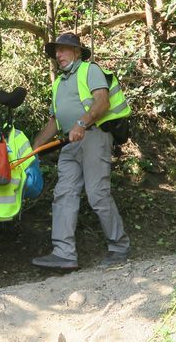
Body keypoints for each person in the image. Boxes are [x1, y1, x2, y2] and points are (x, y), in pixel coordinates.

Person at [31, 32, 130, 269]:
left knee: (97, 193)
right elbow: (55, 122)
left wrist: (81, 123)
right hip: (69, 143)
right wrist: (35, 147)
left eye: (63, 49)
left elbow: (102, 102)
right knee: (64, 193)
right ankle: (64, 253)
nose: (58, 54)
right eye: (56, 51)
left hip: (93, 136)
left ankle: (119, 247)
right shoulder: (58, 83)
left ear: (76, 51)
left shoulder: (89, 70)